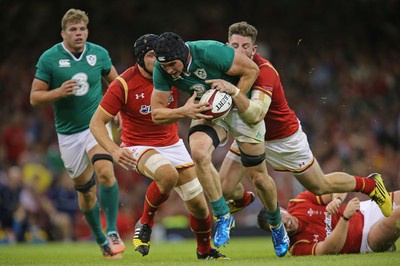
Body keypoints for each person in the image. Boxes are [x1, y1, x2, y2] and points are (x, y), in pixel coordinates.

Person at [219, 21, 392, 229]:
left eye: (245, 46)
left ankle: (372, 185)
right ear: (226, 46)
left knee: (319, 185)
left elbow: (257, 114)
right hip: (250, 134)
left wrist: (232, 93)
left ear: (254, 49)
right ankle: (242, 199)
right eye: (235, 46)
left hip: (283, 137)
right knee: (224, 187)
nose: (240, 51)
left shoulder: (265, 72)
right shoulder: (223, 65)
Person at [89, 34, 227, 260]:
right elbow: (96, 123)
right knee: (167, 174)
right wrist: (113, 150)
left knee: (200, 207)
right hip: (138, 146)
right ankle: (145, 222)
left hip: (172, 144)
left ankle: (204, 252)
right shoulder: (123, 84)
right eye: (152, 56)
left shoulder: (172, 73)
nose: (159, 61)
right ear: (141, 59)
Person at [151, 31, 289, 255]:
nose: (169, 71)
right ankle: (223, 215)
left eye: (172, 65)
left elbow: (252, 70)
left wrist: (231, 97)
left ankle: (276, 225)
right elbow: (156, 113)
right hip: (206, 108)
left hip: (238, 106)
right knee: (198, 152)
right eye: (164, 67)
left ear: (183, 53)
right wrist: (184, 111)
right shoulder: (162, 68)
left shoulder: (210, 52)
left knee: (260, 179)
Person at [29, 9, 124, 258]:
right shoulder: (49, 59)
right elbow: (35, 97)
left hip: (96, 124)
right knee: (86, 191)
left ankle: (112, 230)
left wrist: (119, 111)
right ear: (63, 33)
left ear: (87, 31)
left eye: (82, 28)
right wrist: (57, 93)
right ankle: (101, 238)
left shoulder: (99, 53)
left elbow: (116, 85)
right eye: (73, 29)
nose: (78, 33)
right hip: (68, 134)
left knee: (105, 172)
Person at [257, 190, 400, 255]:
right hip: (365, 239)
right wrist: (345, 219)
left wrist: (337, 199)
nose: (285, 224)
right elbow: (330, 249)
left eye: (281, 217)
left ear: (281, 209)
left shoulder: (299, 202)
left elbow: (336, 187)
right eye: (278, 227)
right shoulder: (297, 247)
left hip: (366, 208)